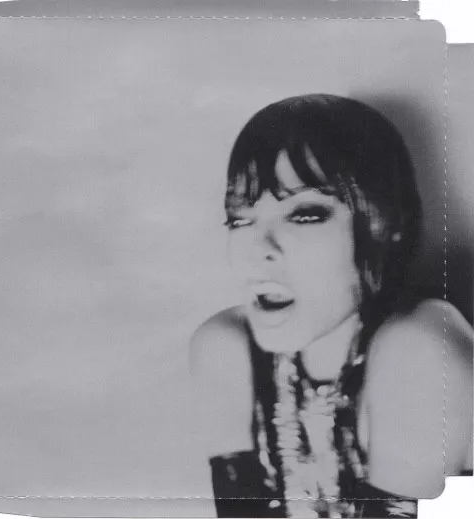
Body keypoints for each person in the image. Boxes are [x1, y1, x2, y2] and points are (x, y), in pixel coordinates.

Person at [189, 94, 473, 518]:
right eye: (240, 219)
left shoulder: (419, 348)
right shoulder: (225, 348)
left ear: (387, 223)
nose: (258, 249)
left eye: (305, 215)